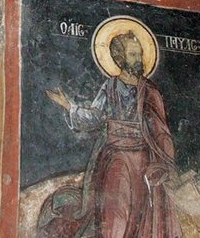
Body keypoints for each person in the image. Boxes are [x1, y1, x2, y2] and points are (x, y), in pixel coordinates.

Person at [41, 30, 181, 238]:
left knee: (139, 215)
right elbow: (95, 116)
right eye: (133, 54)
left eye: (139, 54)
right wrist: (69, 106)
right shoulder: (111, 86)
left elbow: (161, 131)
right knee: (114, 212)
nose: (138, 59)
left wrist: (166, 162)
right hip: (115, 157)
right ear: (119, 58)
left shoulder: (149, 90)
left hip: (142, 161)